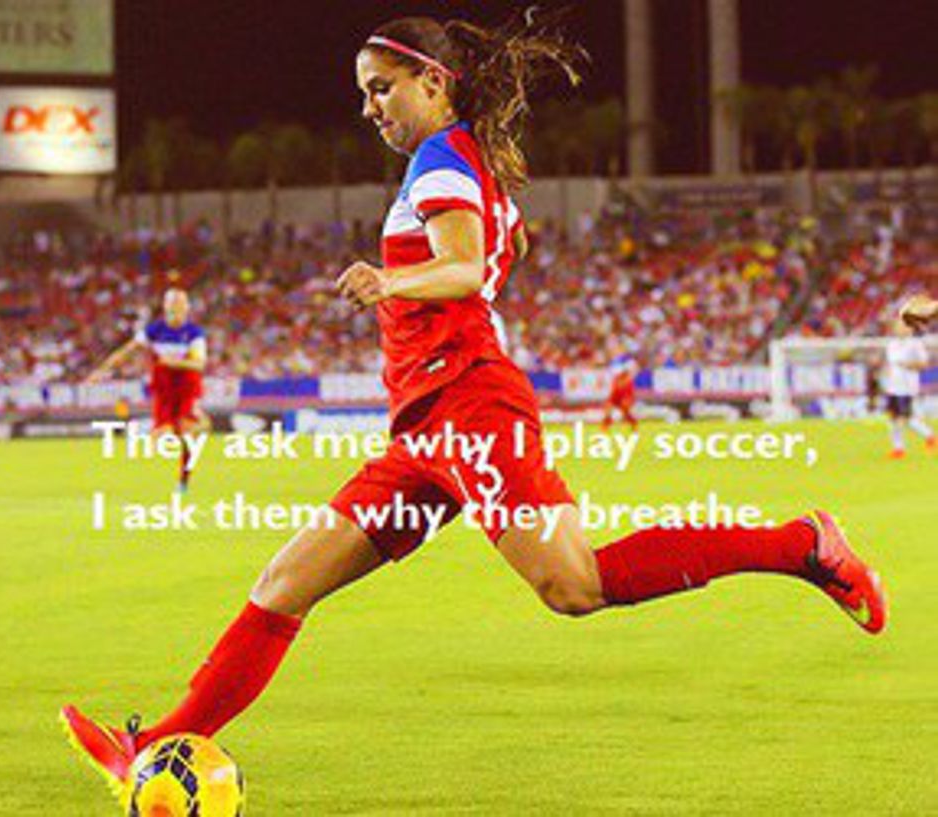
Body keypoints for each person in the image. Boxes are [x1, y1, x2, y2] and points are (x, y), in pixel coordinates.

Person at [61, 13, 888, 799]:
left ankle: (801, 545)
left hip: (469, 408)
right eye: (363, 93)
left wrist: (393, 279)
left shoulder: (440, 160)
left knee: (574, 584)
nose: (369, 107)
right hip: (424, 427)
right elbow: (500, 243)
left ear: (432, 81)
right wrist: (487, 253)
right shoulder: (464, 160)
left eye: (381, 88)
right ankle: (150, 745)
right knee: (284, 582)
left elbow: (461, 264)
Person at [87, 287, 210, 490]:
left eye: (180, 303)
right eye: (172, 303)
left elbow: (199, 364)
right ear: (165, 306)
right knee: (164, 435)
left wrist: (172, 362)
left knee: (187, 434)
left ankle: (183, 479)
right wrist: (103, 370)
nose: (176, 308)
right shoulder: (155, 330)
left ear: (187, 307)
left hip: (187, 390)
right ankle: (191, 425)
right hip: (164, 391)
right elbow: (128, 350)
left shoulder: (194, 333)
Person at [881, 318, 934, 458]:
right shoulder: (891, 345)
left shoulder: (915, 344)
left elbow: (923, 364)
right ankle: (898, 448)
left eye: (902, 326)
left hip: (907, 387)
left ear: (910, 329)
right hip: (892, 386)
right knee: (893, 418)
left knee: (906, 418)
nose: (898, 329)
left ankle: (929, 435)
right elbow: (890, 365)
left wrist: (907, 364)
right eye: (897, 326)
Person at [602, 351, 639, 430]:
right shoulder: (616, 378)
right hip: (616, 397)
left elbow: (629, 394)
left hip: (626, 397)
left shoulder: (628, 379)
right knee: (608, 407)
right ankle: (606, 425)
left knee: (625, 408)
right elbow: (613, 395)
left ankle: (632, 423)